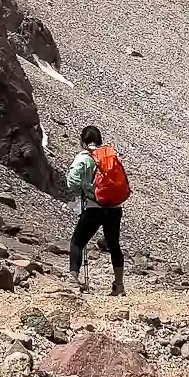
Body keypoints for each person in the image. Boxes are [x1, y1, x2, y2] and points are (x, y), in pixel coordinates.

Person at [65, 124, 128, 295]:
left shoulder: (84, 158)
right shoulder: (110, 156)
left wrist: (84, 192)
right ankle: (119, 285)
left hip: (94, 207)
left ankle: (73, 281)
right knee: (114, 245)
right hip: (114, 208)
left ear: (83, 142)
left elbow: (72, 182)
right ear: (99, 140)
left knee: (77, 242)